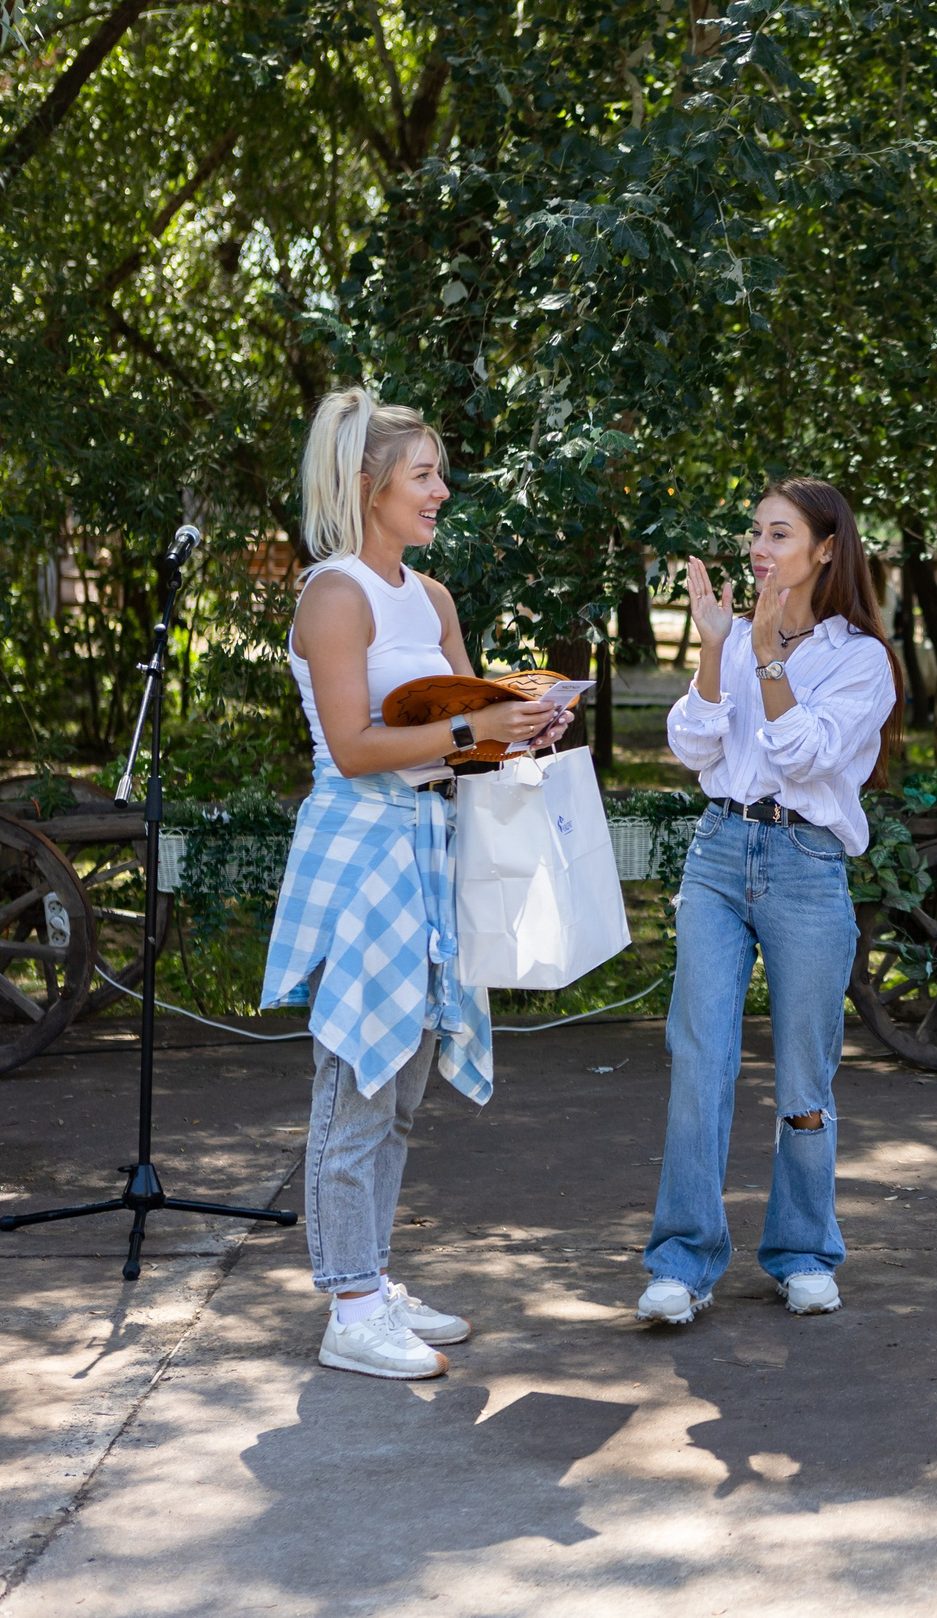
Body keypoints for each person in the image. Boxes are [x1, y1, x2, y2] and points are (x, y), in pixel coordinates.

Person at [264, 386, 564, 1381]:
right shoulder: (334, 593)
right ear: (368, 485)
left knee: (398, 1088)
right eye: (424, 474)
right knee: (357, 1073)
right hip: (362, 850)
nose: (442, 490)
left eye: (439, 472)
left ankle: (370, 1276)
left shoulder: (430, 599)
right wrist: (477, 727)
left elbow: (461, 741)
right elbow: (353, 746)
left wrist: (523, 726)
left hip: (430, 848)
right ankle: (348, 1308)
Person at [638, 479, 898, 1328]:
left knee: (803, 1075)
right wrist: (717, 649)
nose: (759, 547)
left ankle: (802, 1251)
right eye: (755, 531)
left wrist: (768, 657)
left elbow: (805, 754)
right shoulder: (738, 637)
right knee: (698, 1061)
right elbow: (691, 742)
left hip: (805, 863)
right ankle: (682, 1260)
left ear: (825, 548)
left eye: (778, 534)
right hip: (718, 853)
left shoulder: (861, 660)